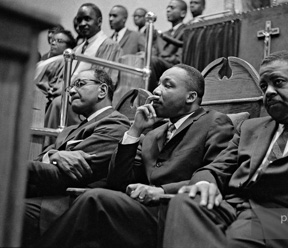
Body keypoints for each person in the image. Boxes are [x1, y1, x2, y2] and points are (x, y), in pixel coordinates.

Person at [162, 50, 288, 248]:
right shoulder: (249, 128)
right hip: (230, 208)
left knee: (233, 239)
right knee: (185, 202)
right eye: (264, 87)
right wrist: (205, 183)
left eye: (278, 82)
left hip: (283, 223)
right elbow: (216, 168)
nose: (269, 92)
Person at [35, 64, 235, 248]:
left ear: (190, 97)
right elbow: (117, 181)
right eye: (158, 84)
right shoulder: (152, 134)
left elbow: (213, 178)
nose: (156, 91)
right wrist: (134, 131)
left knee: (95, 199)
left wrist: (160, 190)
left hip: (179, 213)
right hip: (145, 213)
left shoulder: (214, 122)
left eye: (168, 85)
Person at [24, 69, 130, 246]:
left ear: (102, 90)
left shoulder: (115, 123)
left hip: (67, 206)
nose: (71, 91)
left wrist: (14, 166)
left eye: (80, 84)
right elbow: (41, 159)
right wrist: (54, 154)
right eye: (70, 87)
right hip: (46, 195)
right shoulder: (70, 130)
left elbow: (70, 174)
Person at [44, 3, 123, 129]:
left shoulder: (109, 45)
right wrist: (58, 87)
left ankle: (52, 145)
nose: (82, 23)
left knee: (58, 103)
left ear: (99, 21)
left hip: (89, 102)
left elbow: (105, 80)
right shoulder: (78, 48)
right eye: (79, 20)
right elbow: (65, 75)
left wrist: (68, 90)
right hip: (71, 93)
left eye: (87, 19)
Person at [148, 0, 187, 92]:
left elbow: (179, 58)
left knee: (152, 61)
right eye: (167, 7)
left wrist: (160, 59)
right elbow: (156, 53)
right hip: (159, 65)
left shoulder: (187, 30)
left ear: (183, 13)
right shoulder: (164, 34)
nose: (168, 10)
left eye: (172, 8)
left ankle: (151, 94)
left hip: (176, 67)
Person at [35, 30, 77, 109]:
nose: (53, 43)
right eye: (53, 40)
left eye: (59, 41)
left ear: (69, 46)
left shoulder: (63, 61)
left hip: (41, 102)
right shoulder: (47, 60)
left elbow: (58, 87)